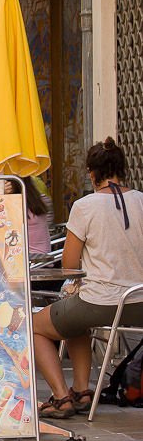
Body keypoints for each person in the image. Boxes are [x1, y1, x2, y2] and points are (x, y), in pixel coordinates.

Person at [32, 138, 143, 419]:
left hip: (101, 301)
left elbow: (69, 265)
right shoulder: (142, 200)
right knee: (71, 318)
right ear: (122, 169)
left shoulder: (85, 206)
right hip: (140, 303)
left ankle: (60, 398)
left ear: (92, 174)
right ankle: (81, 390)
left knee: (33, 327)